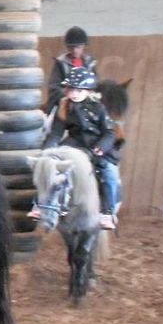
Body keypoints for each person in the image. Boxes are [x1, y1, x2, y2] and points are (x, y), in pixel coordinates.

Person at [35, 67, 121, 230]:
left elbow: (110, 132)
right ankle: (39, 204)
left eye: (79, 90)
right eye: (71, 90)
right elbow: (56, 133)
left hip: (97, 144)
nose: (74, 94)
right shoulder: (64, 107)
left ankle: (107, 212)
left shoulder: (99, 108)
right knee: (47, 165)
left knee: (109, 173)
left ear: (88, 91)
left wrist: (101, 147)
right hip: (75, 143)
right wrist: (47, 151)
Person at [44, 26, 99, 118]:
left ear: (84, 46)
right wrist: (68, 94)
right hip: (66, 102)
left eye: (78, 47)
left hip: (87, 101)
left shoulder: (90, 63)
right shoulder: (60, 63)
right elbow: (54, 87)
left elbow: (96, 84)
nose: (74, 50)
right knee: (56, 118)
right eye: (71, 47)